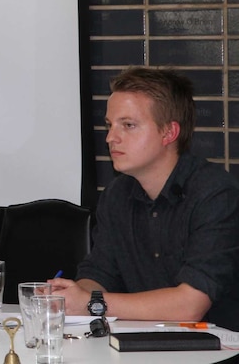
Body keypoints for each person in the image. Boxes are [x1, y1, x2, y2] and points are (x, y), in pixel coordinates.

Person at [50, 66, 239, 331]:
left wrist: (92, 304)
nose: (111, 138)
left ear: (169, 133)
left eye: (128, 125)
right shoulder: (117, 195)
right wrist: (68, 297)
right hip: (144, 347)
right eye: (109, 125)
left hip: (218, 349)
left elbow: (189, 306)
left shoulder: (216, 194)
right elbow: (99, 274)